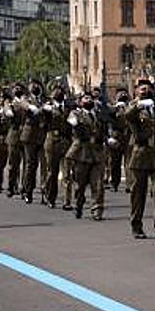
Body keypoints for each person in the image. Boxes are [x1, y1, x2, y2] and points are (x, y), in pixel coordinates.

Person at [123, 79, 155, 240]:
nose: (145, 91)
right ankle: (136, 225)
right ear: (135, 91)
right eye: (141, 89)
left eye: (147, 88)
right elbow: (127, 115)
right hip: (141, 154)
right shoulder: (133, 107)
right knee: (138, 194)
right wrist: (140, 104)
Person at [65, 91, 107, 220]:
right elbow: (71, 121)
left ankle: (97, 209)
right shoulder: (76, 113)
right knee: (80, 184)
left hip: (97, 152)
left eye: (90, 98)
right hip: (81, 153)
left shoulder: (98, 114)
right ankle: (79, 204)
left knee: (98, 184)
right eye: (85, 98)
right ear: (80, 101)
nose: (89, 100)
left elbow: (105, 127)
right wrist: (75, 122)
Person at [14, 80, 47, 204]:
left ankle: (45, 191)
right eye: (33, 85)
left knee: (45, 165)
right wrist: (31, 107)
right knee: (30, 164)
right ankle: (28, 191)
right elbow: (23, 104)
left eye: (37, 85)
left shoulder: (44, 99)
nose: (35, 87)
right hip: (30, 135)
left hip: (43, 135)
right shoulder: (26, 99)